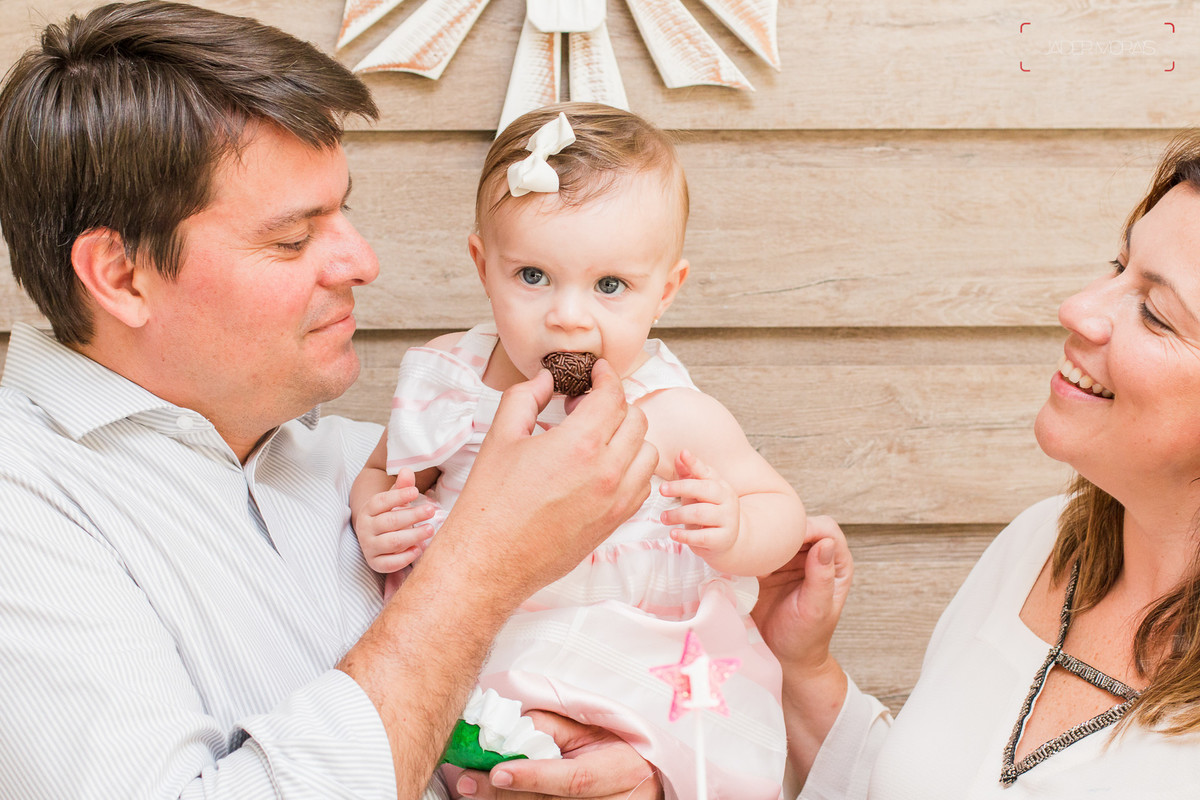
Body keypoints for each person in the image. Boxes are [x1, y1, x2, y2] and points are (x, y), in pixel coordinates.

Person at [0, 3, 665, 798]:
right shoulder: (24, 503)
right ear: (120, 276)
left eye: (344, 209)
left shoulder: (380, 470)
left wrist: (620, 763)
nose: (362, 260)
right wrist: (481, 568)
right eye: (292, 237)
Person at [349, 103, 807, 798]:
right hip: (487, 651)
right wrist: (375, 513)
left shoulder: (675, 415)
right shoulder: (454, 380)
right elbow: (386, 471)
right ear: (482, 264)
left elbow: (781, 513)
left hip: (639, 660)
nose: (567, 315)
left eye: (610, 286)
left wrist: (737, 531)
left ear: (666, 291)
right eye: (532, 276)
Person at [755, 133, 1200, 798]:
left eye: (1156, 314)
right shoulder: (1043, 542)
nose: (1078, 308)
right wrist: (798, 665)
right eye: (1118, 266)